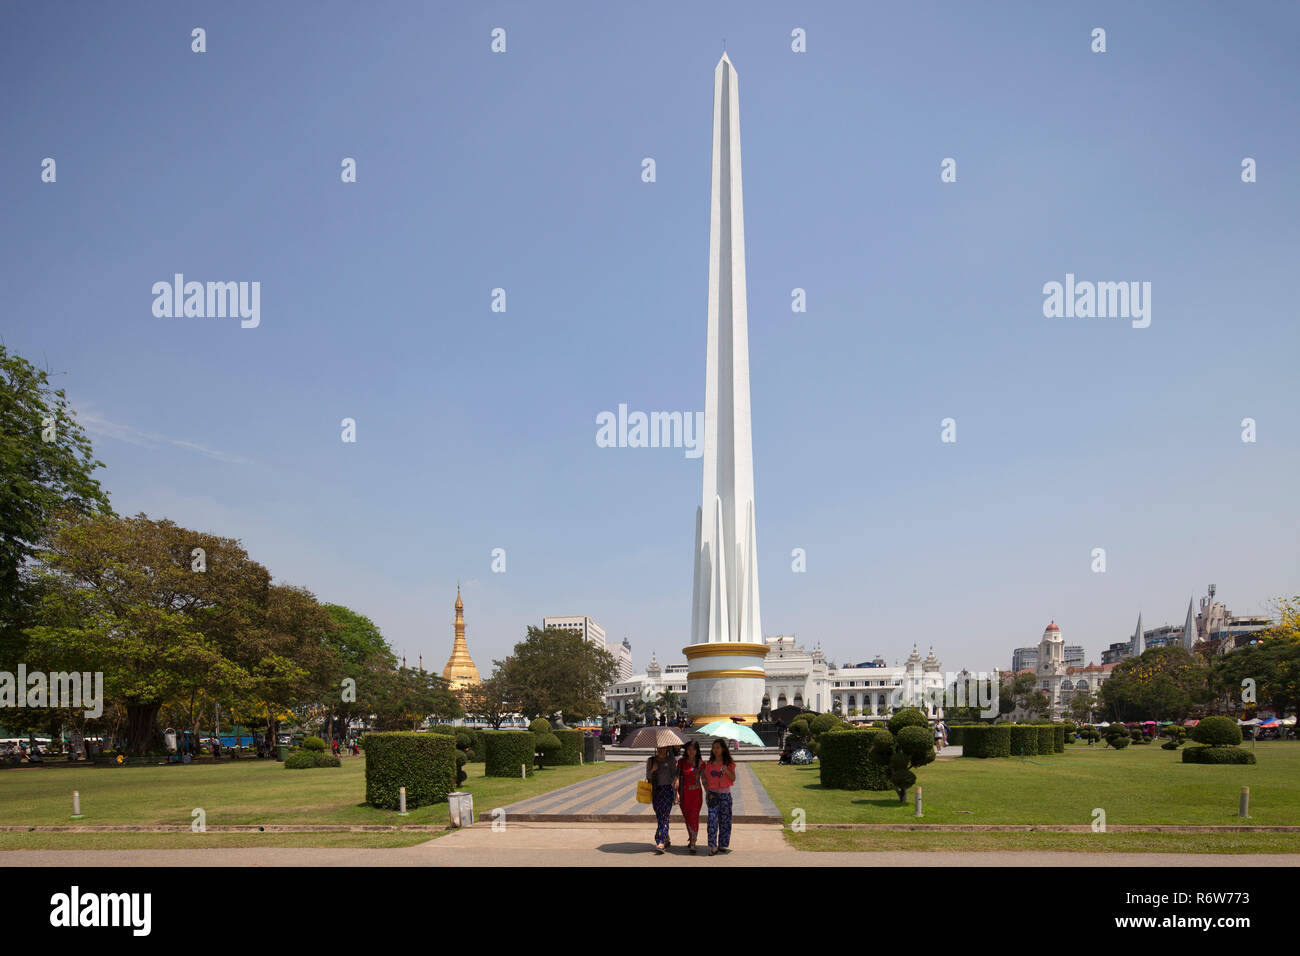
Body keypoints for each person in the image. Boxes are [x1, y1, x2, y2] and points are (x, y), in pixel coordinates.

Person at [703, 739, 737, 855]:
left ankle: (723, 843)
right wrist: (707, 792)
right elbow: (705, 779)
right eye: (714, 748)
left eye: (718, 747)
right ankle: (713, 845)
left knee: (725, 820)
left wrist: (726, 770)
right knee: (712, 820)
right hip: (713, 795)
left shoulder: (729, 763)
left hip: (725, 795)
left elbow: (733, 778)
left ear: (723, 749)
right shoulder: (709, 764)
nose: (715, 750)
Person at [645, 745, 679, 854]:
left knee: (664, 816)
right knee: (660, 816)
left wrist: (677, 790)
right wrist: (653, 770)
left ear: (668, 749)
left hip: (668, 791)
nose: (661, 750)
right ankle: (666, 838)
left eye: (664, 748)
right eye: (659, 748)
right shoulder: (651, 760)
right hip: (656, 791)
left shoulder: (671, 760)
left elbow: (674, 776)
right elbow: (648, 777)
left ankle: (660, 841)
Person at [677, 740, 704, 853]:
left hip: (696, 794)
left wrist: (709, 792)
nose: (691, 751)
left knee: (694, 817)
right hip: (684, 794)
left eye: (693, 749)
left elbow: (705, 780)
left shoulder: (700, 763)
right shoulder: (681, 762)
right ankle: (691, 836)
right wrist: (677, 792)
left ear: (697, 750)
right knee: (687, 817)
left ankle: (693, 841)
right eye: (688, 749)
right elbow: (677, 777)